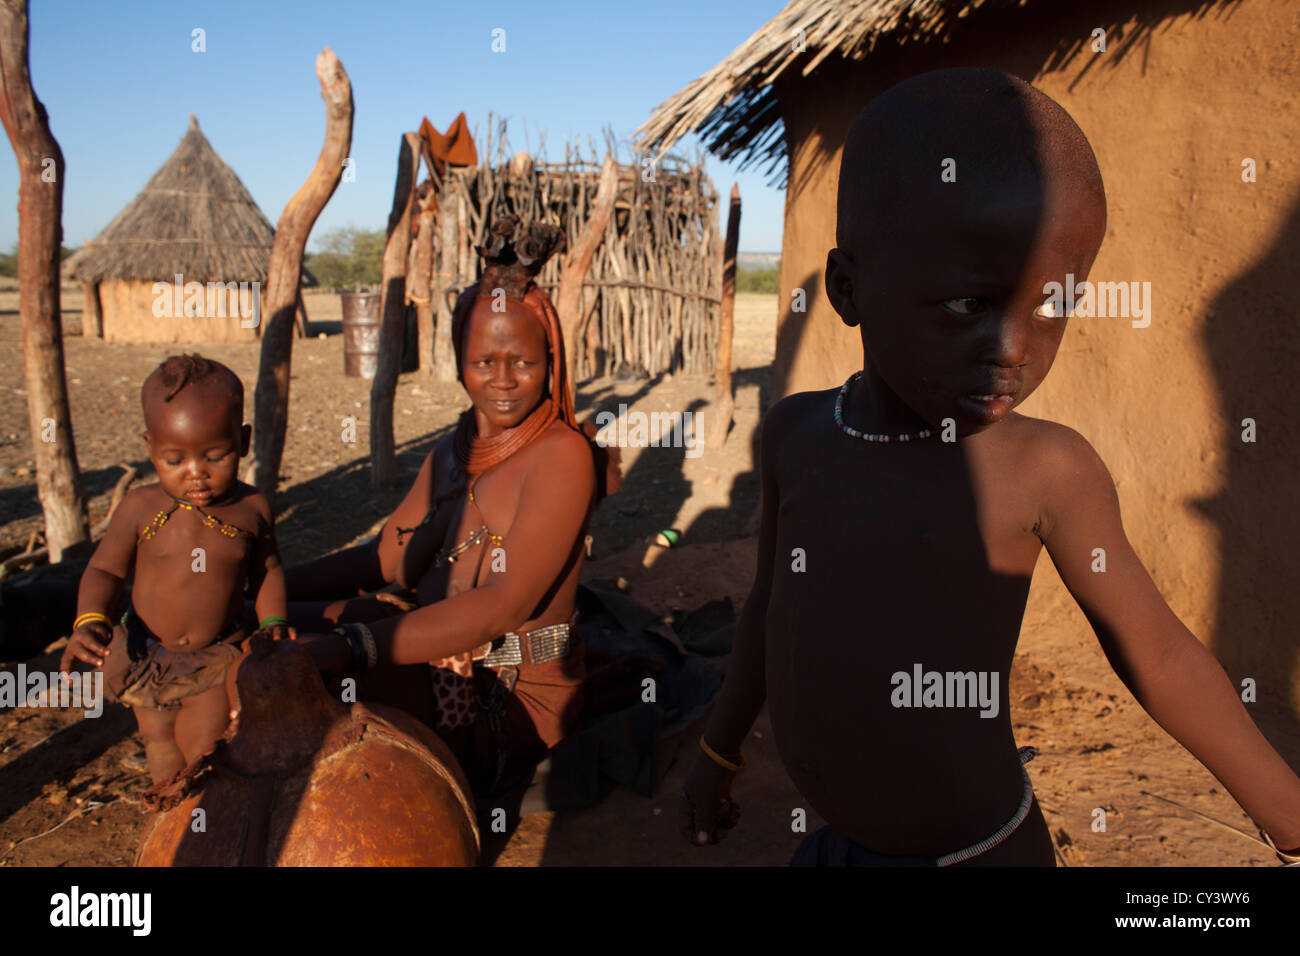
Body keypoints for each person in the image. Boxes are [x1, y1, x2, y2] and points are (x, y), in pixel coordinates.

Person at [678, 67, 1300, 866]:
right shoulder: (799, 438)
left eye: (1052, 306)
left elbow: (1162, 654)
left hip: (977, 855)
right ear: (847, 288)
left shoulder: (1045, 470)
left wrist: (1288, 818)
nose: (1013, 349)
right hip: (834, 848)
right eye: (970, 305)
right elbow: (771, 605)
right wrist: (719, 750)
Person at [288, 216, 605, 798]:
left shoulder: (562, 456)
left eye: (525, 363)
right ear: (459, 358)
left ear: (551, 361)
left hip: (502, 686)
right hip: (422, 645)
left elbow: (501, 608)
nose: (504, 380)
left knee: (306, 684)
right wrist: (273, 591)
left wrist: (348, 647)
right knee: (268, 638)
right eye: (485, 362)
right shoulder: (452, 450)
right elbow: (387, 559)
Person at [60, 355, 289, 785]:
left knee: (204, 746)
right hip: (146, 650)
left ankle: (199, 819)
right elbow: (105, 570)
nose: (196, 474)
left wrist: (274, 621)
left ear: (243, 441)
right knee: (158, 739)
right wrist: (90, 620)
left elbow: (269, 570)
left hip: (216, 653)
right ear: (150, 448)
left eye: (215, 456)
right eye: (174, 460)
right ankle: (170, 819)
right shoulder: (141, 508)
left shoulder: (252, 509)